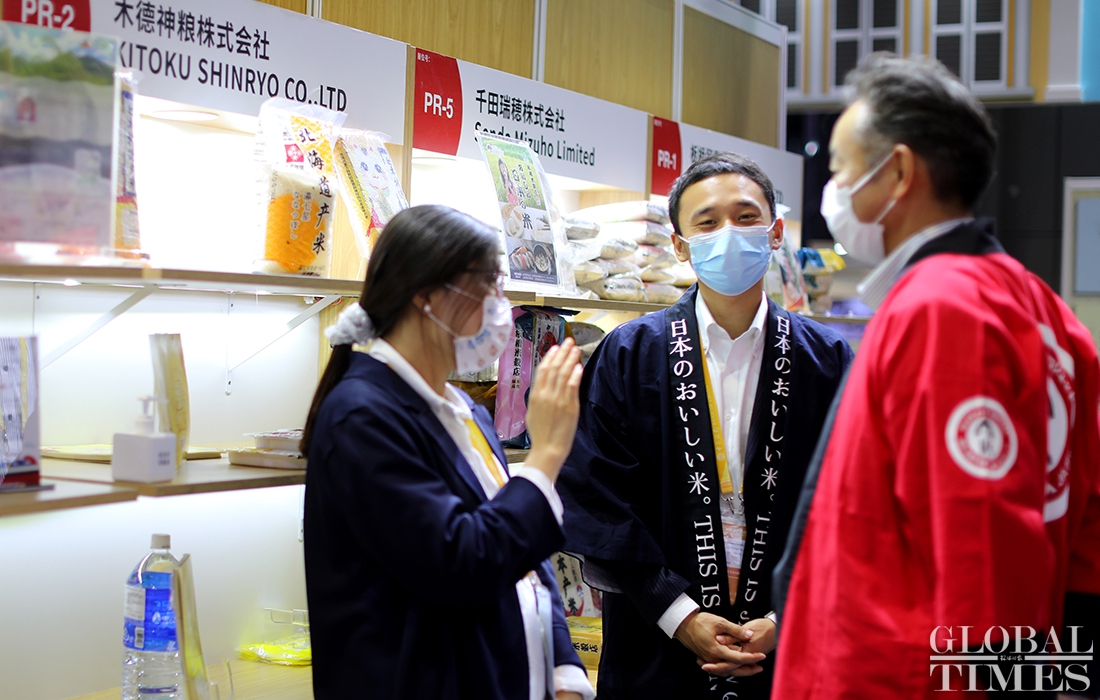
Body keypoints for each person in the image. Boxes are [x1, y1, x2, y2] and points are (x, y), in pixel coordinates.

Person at [773, 54, 1100, 698]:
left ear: (897, 172)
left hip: (900, 678)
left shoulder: (944, 307)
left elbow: (981, 548)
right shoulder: (1042, 306)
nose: (833, 187)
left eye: (839, 167)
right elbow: (1085, 537)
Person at [557, 153, 854, 699]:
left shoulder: (828, 360)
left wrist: (785, 617)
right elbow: (596, 493)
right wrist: (678, 613)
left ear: (775, 233)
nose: (728, 234)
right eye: (708, 222)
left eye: (746, 217)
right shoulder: (630, 353)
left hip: (792, 647)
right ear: (679, 245)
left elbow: (856, 501)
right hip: (657, 643)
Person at [301, 204, 595, 700]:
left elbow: (527, 560)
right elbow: (462, 563)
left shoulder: (464, 409)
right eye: (488, 285)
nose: (500, 305)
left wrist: (563, 670)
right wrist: (545, 456)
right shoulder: (362, 416)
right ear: (426, 296)